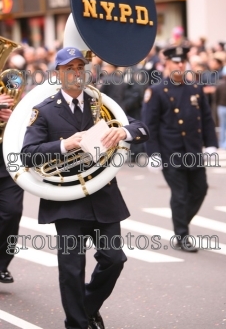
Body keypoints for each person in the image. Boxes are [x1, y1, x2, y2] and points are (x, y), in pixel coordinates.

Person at [21, 47, 149, 329]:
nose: (77, 73)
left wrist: (124, 132)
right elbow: (28, 154)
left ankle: (88, 307)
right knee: (71, 270)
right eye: (70, 68)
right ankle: (77, 324)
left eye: (81, 67)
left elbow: (140, 127)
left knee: (114, 259)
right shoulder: (42, 111)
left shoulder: (100, 102)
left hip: (103, 196)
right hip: (66, 201)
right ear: (58, 74)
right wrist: (65, 144)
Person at [142, 44, 218, 253]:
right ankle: (182, 235)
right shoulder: (156, 91)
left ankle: (180, 225)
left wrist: (211, 144)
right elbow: (151, 125)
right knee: (181, 194)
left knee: (200, 190)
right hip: (171, 153)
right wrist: (153, 154)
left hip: (193, 151)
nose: (179, 65)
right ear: (166, 63)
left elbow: (206, 119)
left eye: (182, 62)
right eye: (175, 62)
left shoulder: (194, 88)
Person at [0, 94, 24, 283]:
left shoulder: (10, 81)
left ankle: (2, 265)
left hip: (8, 162)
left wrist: (15, 116)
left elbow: (29, 114)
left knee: (12, 212)